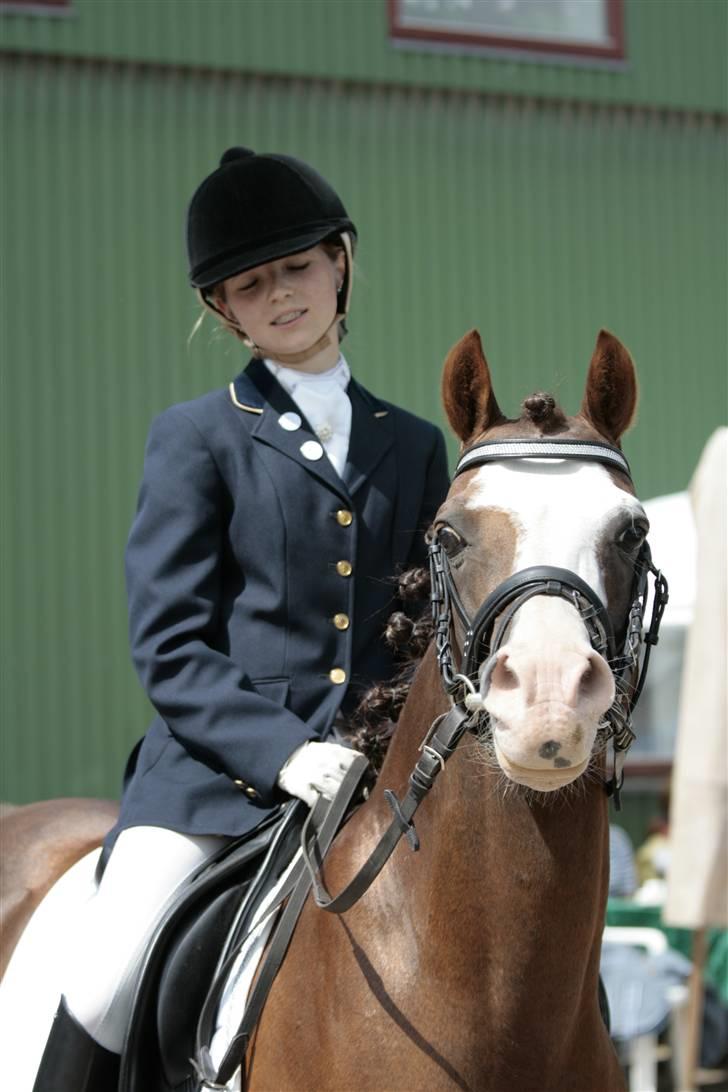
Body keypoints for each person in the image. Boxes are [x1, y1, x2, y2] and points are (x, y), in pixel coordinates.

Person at [33, 147, 450, 1089]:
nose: (281, 295)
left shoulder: (415, 446)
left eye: (297, 267)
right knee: (106, 976)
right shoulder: (198, 437)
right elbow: (170, 643)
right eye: (250, 285)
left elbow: (426, 625)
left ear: (340, 261)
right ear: (224, 310)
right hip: (218, 782)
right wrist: (283, 751)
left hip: (378, 775)